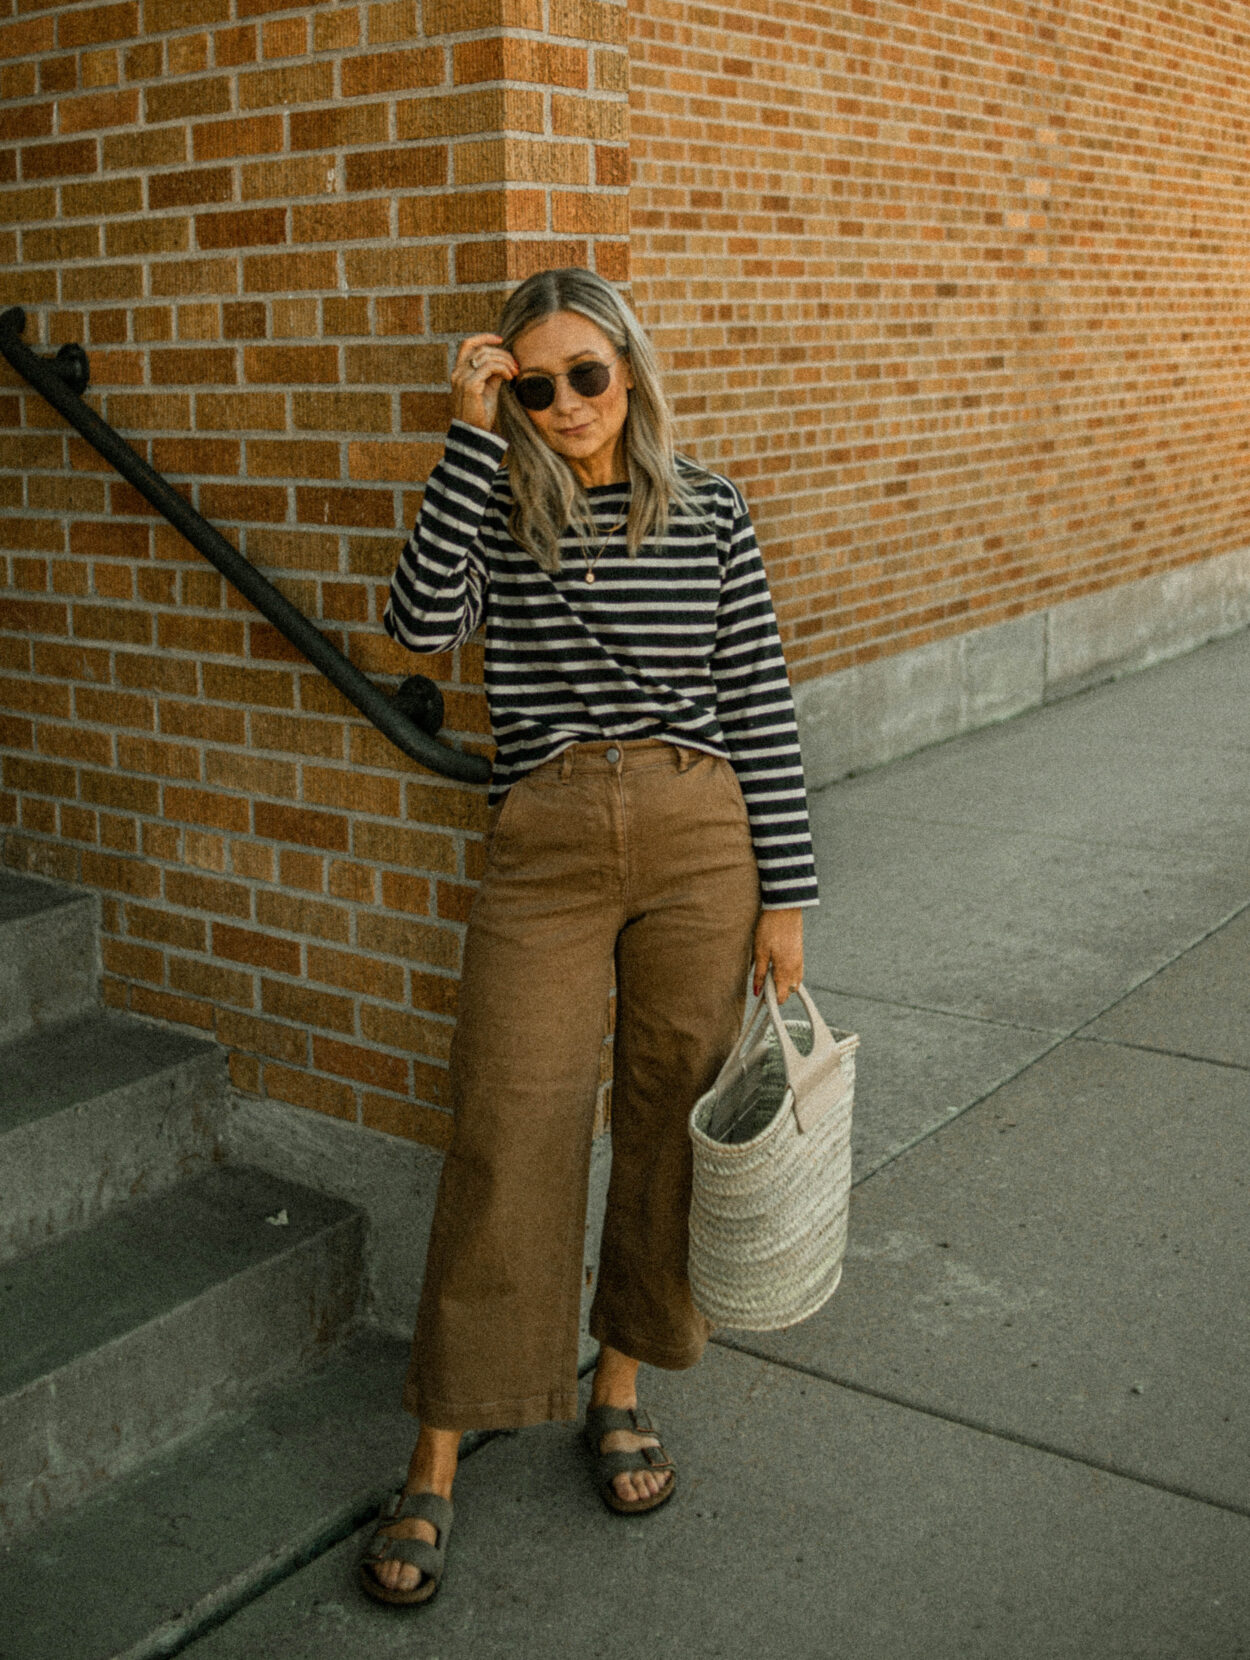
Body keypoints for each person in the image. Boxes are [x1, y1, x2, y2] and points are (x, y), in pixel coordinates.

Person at [359, 268, 820, 1606]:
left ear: (630, 369)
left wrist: (783, 898)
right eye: (533, 382)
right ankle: (440, 1449)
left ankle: (617, 1385)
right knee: (509, 1120)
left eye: (585, 375)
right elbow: (419, 626)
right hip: (546, 840)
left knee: (670, 1109)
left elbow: (760, 708)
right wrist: (462, 433)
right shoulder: (500, 501)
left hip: (697, 836)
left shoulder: (711, 508)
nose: (563, 405)